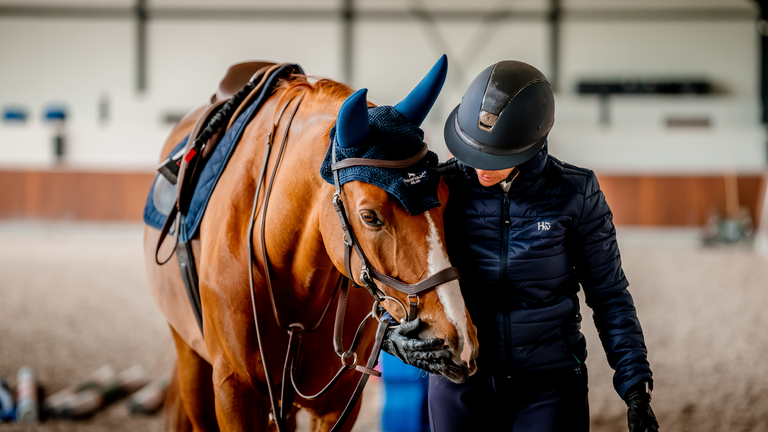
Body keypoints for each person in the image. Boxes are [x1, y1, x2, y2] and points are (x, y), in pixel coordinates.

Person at [381, 60, 659, 432]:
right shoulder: (440, 190)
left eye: (496, 159)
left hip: (549, 383)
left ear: (533, 140)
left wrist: (634, 385)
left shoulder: (577, 193)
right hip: (460, 377)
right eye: (474, 152)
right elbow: (398, 269)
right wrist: (387, 329)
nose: (482, 168)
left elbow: (609, 295)